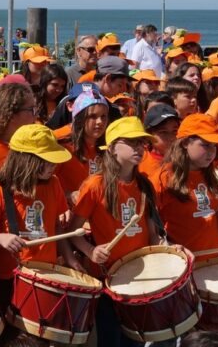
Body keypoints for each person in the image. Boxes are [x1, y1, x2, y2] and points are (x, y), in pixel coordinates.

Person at [67, 116, 171, 347]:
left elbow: (151, 230)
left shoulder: (144, 183)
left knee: (134, 339)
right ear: (112, 147)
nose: (138, 148)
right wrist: (91, 251)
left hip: (140, 274)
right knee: (111, 339)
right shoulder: (95, 185)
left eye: (141, 143)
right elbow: (72, 230)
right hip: (108, 277)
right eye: (131, 142)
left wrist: (160, 254)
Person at [0, 124, 78, 311]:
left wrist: (70, 260)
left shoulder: (53, 183)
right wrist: (0, 239)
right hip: (9, 279)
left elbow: (56, 227)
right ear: (26, 160)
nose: (54, 165)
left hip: (46, 275)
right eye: (48, 161)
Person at [150, 114, 218, 258]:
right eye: (205, 144)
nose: (211, 151)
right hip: (183, 262)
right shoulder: (163, 178)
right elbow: (151, 225)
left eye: (214, 146)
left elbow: (215, 210)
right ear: (185, 143)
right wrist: (167, 246)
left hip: (215, 257)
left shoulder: (209, 173)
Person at [54, 86, 109, 208]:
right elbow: (46, 185)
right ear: (80, 118)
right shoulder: (62, 146)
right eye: (93, 116)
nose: (100, 122)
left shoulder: (109, 148)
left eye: (103, 116)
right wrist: (68, 195)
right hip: (68, 216)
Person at [138, 103, 180, 177]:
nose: (171, 138)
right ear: (149, 134)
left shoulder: (185, 160)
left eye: (174, 131)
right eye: (163, 132)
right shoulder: (139, 161)